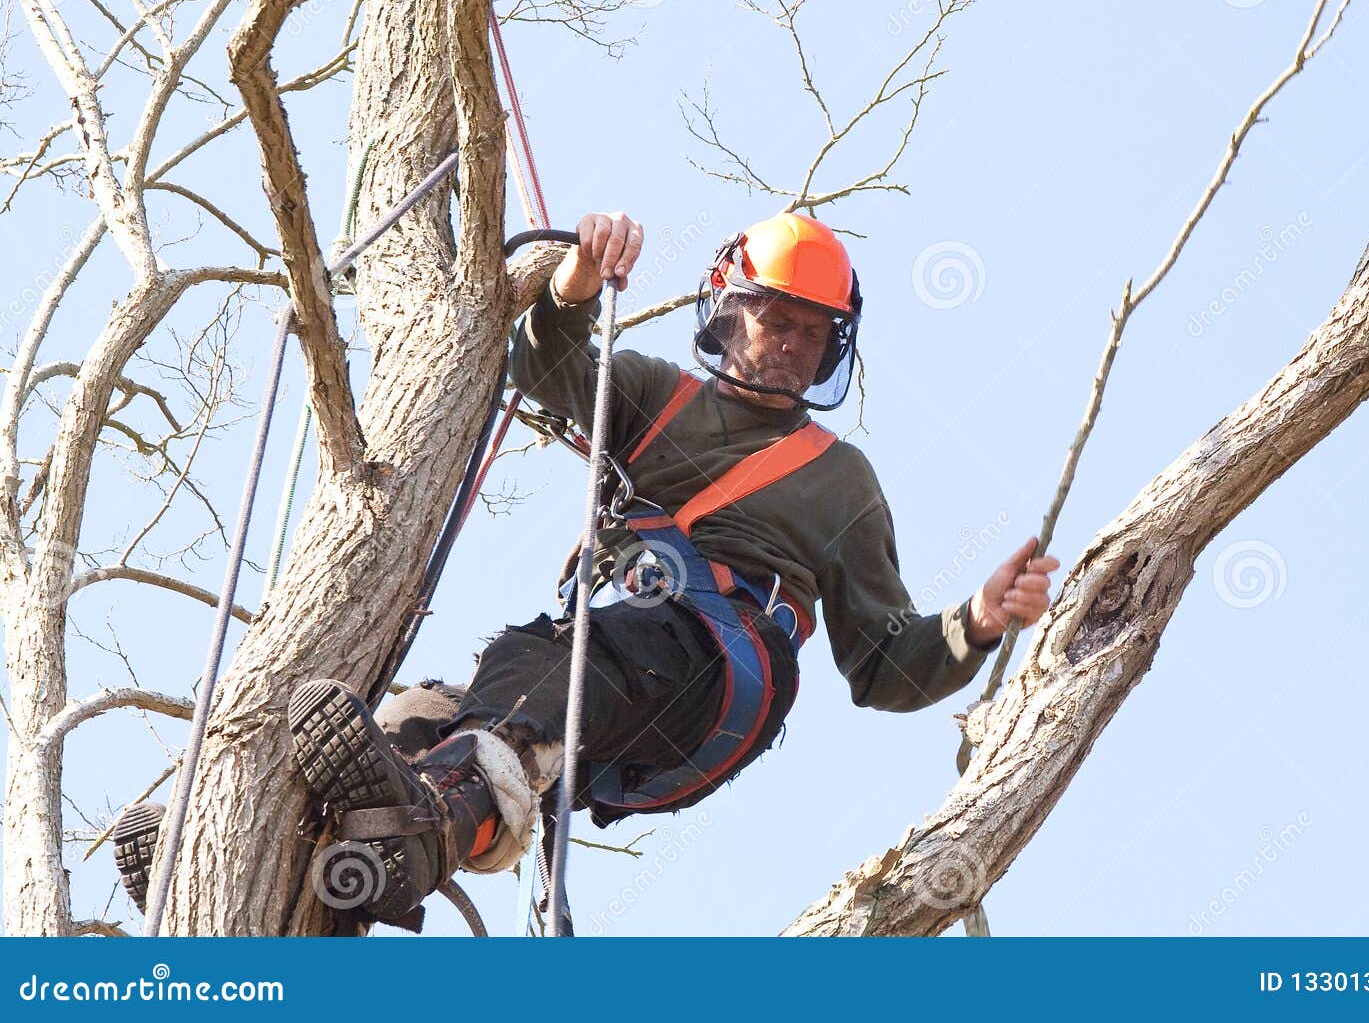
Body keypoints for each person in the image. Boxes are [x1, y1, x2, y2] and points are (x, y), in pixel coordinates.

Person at [113, 211, 1060, 929]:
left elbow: (885, 665)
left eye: (812, 331)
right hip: (599, 667)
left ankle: (435, 818)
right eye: (775, 316)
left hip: (719, 668)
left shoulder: (837, 477)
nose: (791, 342)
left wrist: (973, 620)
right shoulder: (654, 392)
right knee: (417, 714)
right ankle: (290, 870)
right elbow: (544, 366)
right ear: (730, 311)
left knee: (565, 662)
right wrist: (570, 287)